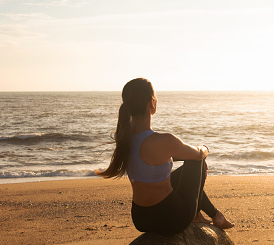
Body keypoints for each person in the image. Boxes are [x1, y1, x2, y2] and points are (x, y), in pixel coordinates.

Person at [97, 78, 234, 235]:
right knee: (197, 162)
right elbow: (198, 154)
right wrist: (204, 148)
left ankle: (215, 215)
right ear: (151, 102)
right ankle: (197, 215)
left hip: (141, 219)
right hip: (171, 219)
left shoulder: (122, 138)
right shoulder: (164, 141)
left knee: (184, 165)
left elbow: (149, 159)